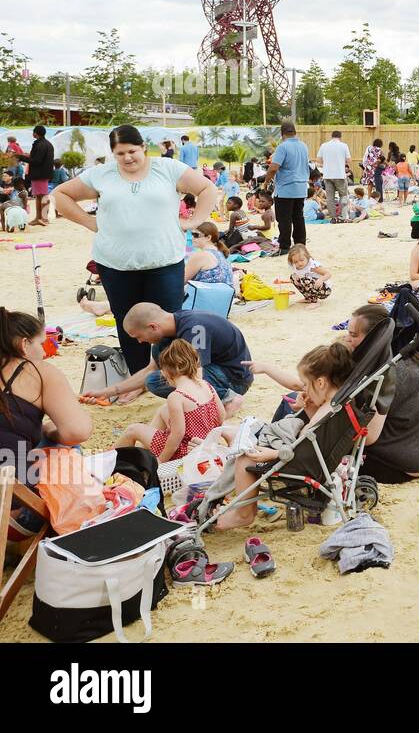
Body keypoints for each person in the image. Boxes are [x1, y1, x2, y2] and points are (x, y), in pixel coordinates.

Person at [53, 125, 218, 375]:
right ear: (113, 154)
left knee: (167, 321)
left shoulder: (168, 169)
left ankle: (172, 374)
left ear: (143, 147)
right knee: (127, 322)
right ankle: (138, 375)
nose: (127, 158)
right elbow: (61, 194)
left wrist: (194, 221)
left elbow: (207, 189)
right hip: (116, 264)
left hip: (164, 262)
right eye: (120, 153)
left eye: (132, 151)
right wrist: (90, 222)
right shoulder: (101, 174)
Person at [245, 304, 419, 483]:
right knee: (312, 406)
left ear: (374, 337)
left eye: (354, 335)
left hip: (399, 463)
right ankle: (276, 445)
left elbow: (370, 436)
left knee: (309, 414)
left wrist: (315, 408)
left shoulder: (385, 373)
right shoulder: (402, 354)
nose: (348, 338)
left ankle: (273, 452)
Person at [216, 342, 355, 530]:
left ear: (321, 382)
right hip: (311, 456)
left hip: (300, 461)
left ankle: (244, 514)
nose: (303, 389)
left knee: (246, 458)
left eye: (306, 384)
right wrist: (310, 406)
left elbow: (305, 448)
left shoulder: (328, 410)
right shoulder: (337, 401)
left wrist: (272, 455)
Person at [86, 303, 252, 414]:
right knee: (154, 379)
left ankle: (228, 399)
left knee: (164, 378)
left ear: (152, 326)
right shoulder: (169, 329)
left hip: (234, 378)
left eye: (139, 336)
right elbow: (150, 371)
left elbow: (195, 375)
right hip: (213, 369)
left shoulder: (194, 328)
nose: (140, 341)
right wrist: (107, 392)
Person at [0, 308, 93, 505]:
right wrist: (49, 430)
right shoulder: (38, 372)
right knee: (68, 445)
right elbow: (78, 432)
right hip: (12, 514)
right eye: (41, 344)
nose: (44, 352)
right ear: (24, 344)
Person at [117, 340, 224, 461]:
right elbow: (221, 416)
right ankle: (145, 455)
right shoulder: (206, 385)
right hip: (203, 444)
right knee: (163, 410)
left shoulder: (177, 396)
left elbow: (177, 435)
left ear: (165, 372)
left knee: (133, 429)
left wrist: (160, 462)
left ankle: (112, 461)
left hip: (184, 452)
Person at [266, 121, 310, 256]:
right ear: (295, 132)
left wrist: (266, 180)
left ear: (282, 133)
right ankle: (300, 245)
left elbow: (274, 167)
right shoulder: (303, 146)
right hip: (301, 187)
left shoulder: (282, 147)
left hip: (286, 188)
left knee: (284, 219)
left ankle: (284, 246)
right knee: (298, 217)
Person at [15, 124, 54, 226]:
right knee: (39, 196)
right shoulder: (47, 144)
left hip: (40, 174)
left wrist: (20, 157)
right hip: (42, 173)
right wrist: (25, 156)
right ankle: (39, 218)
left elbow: (37, 161)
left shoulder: (40, 145)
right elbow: (38, 158)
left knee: (43, 196)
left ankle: (44, 218)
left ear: (35, 133)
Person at [183, 222, 234, 286]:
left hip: (204, 295)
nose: (192, 238)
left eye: (196, 235)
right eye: (192, 234)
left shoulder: (201, 255)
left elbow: (180, 282)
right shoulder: (220, 253)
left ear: (208, 237)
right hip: (223, 295)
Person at [316, 130, 352, 221]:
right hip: (339, 174)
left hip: (327, 175)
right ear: (340, 137)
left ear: (331, 136)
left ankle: (333, 217)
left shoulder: (324, 145)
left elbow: (319, 160)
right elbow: (349, 160)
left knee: (330, 197)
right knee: (343, 195)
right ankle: (343, 215)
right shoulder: (344, 146)